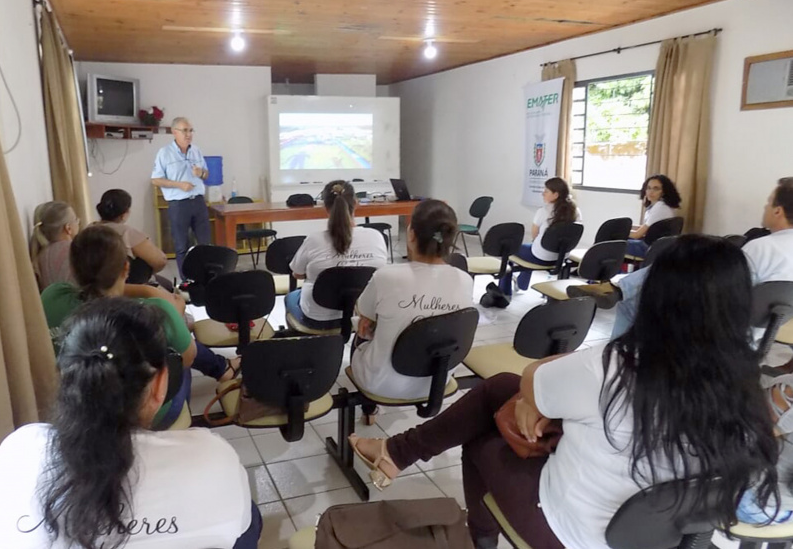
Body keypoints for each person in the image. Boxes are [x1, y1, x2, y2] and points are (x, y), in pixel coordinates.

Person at [350, 235, 780, 549]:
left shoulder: (613, 368)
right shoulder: (744, 384)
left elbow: (533, 377)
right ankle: (396, 453)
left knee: (482, 435)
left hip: (569, 534)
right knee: (499, 390)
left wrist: (532, 402)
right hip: (657, 537)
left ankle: (476, 535)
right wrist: (533, 402)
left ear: (658, 298)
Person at [0, 297, 260, 549]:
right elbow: (239, 529)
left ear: (66, 377)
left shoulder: (18, 452)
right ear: (160, 385)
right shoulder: (212, 456)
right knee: (249, 517)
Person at [574, 178, 793, 339]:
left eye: (769, 202)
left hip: (721, 331)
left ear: (778, 212)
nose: (765, 206)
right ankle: (620, 291)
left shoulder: (763, 247)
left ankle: (615, 361)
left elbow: (725, 288)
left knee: (634, 301)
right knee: (682, 260)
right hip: (762, 333)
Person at [41, 227, 239, 406]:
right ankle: (217, 376)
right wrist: (173, 314)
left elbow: (94, 291)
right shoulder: (153, 312)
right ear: (126, 268)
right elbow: (187, 359)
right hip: (138, 414)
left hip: (77, 404)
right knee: (177, 357)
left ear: (74, 269)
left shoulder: (52, 296)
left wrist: (146, 291)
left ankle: (222, 368)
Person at [351, 199, 475, 402]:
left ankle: (369, 408)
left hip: (383, 384)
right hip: (437, 381)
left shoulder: (386, 276)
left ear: (411, 234)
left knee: (364, 326)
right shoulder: (464, 280)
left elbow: (363, 313)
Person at [286, 180, 389, 327]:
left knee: (290, 297)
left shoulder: (314, 240)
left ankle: (302, 346)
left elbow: (297, 274)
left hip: (317, 317)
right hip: (363, 315)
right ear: (356, 203)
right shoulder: (375, 236)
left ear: (325, 207)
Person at [499, 177, 582, 296]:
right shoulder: (576, 211)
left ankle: (504, 291)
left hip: (541, 256)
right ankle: (521, 283)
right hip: (563, 256)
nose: (542, 193)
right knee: (530, 249)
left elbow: (535, 235)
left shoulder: (543, 211)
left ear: (556, 195)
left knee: (509, 249)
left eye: (546, 191)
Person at [151, 117, 211, 281]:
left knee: (205, 244)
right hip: (179, 204)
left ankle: (207, 278)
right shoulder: (165, 153)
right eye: (185, 130)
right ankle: (187, 281)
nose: (189, 134)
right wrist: (178, 184)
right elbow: (155, 179)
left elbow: (207, 174)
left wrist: (201, 174)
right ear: (174, 132)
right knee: (181, 245)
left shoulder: (196, 150)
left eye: (191, 130)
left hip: (198, 201)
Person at [95, 188, 168, 283]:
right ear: (125, 213)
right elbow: (160, 260)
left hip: (93, 284)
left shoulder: (89, 230)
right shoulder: (126, 232)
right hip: (125, 286)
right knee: (167, 285)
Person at [626, 174, 681, 258]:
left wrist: (617, 232)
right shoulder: (662, 206)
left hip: (649, 248)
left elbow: (638, 235)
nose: (650, 192)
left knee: (612, 244)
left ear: (664, 192)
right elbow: (647, 228)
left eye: (656, 189)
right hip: (656, 246)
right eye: (648, 188)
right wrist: (625, 227)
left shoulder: (660, 207)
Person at [30, 201, 79, 290]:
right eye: (76, 220)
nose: (78, 222)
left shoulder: (39, 256)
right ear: (68, 228)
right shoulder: (77, 250)